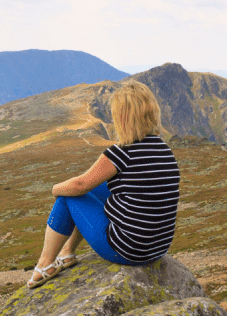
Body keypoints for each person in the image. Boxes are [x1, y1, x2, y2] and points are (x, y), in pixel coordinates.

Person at [27, 80, 180, 288]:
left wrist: (55, 189)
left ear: (123, 117)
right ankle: (67, 252)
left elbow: (80, 185)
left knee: (67, 195)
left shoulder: (122, 152)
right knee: (98, 188)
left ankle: (44, 264)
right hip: (157, 249)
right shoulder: (164, 149)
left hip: (126, 250)